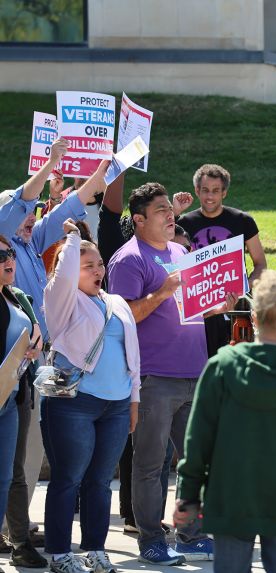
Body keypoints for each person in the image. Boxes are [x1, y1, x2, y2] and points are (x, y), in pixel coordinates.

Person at [174, 270, 276, 573]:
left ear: (253, 316)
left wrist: (187, 495)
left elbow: (197, 440)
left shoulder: (221, 366)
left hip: (231, 494)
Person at [108, 182, 231, 565]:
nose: (169, 214)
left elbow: (190, 307)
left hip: (194, 372)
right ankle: (150, 539)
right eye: (160, 210)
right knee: (149, 465)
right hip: (154, 378)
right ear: (140, 220)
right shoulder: (127, 260)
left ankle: (191, 535)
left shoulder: (180, 251)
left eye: (169, 209)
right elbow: (123, 316)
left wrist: (217, 305)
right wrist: (161, 293)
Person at [1, 140, 105, 568]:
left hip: (29, 364)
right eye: (23, 216)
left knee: (20, 456)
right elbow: (25, 200)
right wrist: (49, 165)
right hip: (7, 362)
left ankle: (17, 530)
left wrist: (108, 168)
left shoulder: (28, 242)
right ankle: (17, 534)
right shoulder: (6, 236)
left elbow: (76, 201)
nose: (31, 220)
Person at [42, 220, 141, 573]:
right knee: (68, 478)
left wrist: (134, 400)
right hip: (74, 403)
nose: (98, 270)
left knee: (100, 482)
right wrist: (73, 239)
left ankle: (95, 550)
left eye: (100, 264)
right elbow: (65, 274)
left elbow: (134, 354)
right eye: (89, 266)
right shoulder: (61, 299)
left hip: (115, 405)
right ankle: (57, 553)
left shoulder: (116, 302)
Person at [0, 232, 40, 573]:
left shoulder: (18, 297)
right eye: (0, 256)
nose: (8, 260)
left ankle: (18, 542)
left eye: (10, 253)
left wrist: (36, 344)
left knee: (10, 474)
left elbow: (36, 332)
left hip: (14, 397)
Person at [176, 163, 267, 283]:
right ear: (197, 191)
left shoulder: (243, 220)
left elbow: (261, 264)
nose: (210, 196)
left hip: (235, 297)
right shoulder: (183, 223)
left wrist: (246, 286)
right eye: (205, 190)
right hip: (198, 296)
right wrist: (175, 212)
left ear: (224, 192)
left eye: (215, 191)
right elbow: (165, 259)